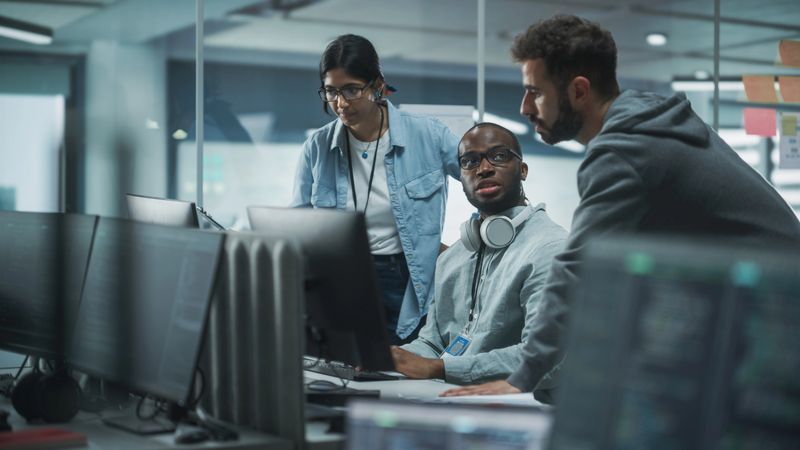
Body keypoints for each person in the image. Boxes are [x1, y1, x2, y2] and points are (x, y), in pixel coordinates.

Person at [442, 14, 800, 397]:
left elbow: (577, 272)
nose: (525, 108)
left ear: (579, 91)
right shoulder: (651, 123)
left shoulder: (623, 150)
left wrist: (522, 377)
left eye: (536, 92)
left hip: (774, 325)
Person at [290, 34, 461, 344]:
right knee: (348, 369)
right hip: (343, 279)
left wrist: (467, 249)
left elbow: (486, 182)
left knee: (403, 372)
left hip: (405, 279)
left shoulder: (428, 135)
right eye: (331, 91)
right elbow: (299, 225)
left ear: (378, 85)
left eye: (352, 90)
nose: (341, 103)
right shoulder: (317, 147)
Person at [390, 123, 567, 387]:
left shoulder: (550, 248)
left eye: (499, 156)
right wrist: (391, 359)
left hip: (512, 405)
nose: (483, 169)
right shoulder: (453, 257)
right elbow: (432, 342)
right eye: (470, 161)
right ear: (461, 178)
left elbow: (541, 355)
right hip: (445, 394)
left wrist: (439, 368)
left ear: (523, 170)